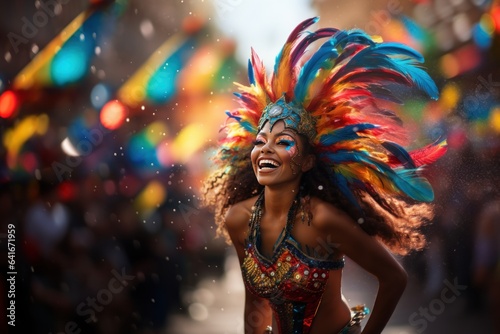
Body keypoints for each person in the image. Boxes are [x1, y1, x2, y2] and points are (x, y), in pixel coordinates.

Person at [202, 17, 446, 334]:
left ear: (306, 162)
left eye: (283, 142)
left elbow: (394, 278)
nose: (266, 150)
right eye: (260, 142)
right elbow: (255, 304)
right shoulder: (238, 219)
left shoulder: (322, 220)